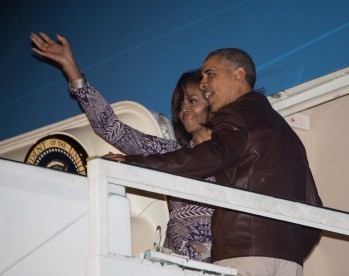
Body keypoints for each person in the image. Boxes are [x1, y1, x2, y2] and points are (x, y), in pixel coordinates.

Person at [110, 48, 323, 275]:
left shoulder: (236, 112)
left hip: (243, 253)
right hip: (290, 263)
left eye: (209, 74)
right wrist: (291, 252)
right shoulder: (288, 133)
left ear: (238, 75)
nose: (203, 83)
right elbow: (314, 208)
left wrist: (136, 164)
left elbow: (210, 156)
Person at [30, 32, 214, 262]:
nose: (183, 109)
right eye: (181, 103)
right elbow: (110, 127)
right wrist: (72, 70)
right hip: (175, 261)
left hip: (222, 261)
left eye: (193, 101)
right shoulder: (170, 152)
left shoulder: (237, 151)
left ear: (214, 102)